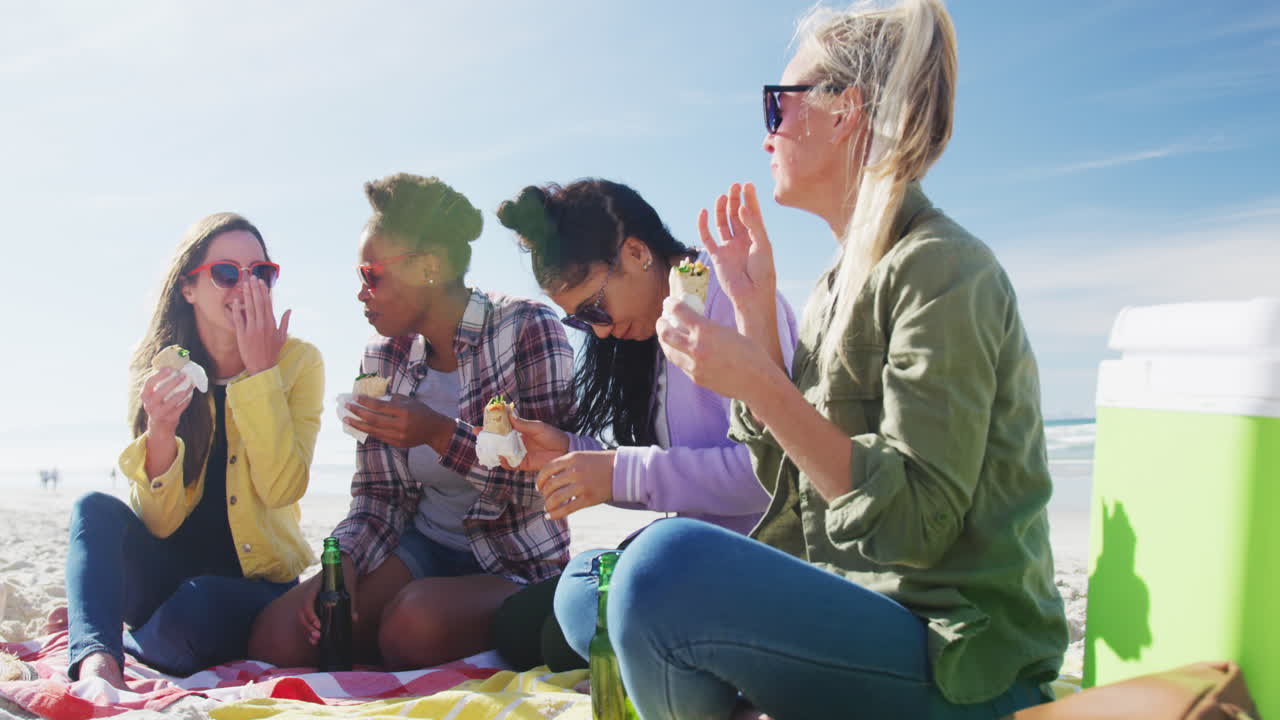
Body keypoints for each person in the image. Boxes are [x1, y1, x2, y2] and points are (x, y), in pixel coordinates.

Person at [553, 1, 1069, 718]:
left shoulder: (944, 268)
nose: (766, 135)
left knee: (659, 570)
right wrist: (760, 317)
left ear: (844, 110)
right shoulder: (838, 280)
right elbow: (794, 492)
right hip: (861, 609)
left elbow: (915, 527)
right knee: (590, 585)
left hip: (957, 655)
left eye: (778, 105)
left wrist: (759, 381)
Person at [248, 173, 576, 671]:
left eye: (371, 275)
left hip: (514, 559)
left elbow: (549, 485)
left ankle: (480, 630)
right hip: (423, 547)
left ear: (430, 267)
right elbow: (379, 495)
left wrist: (439, 434)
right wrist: (347, 566)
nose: (361, 294)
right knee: (279, 637)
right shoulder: (383, 357)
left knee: (410, 628)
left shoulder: (529, 328)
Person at [487, 179, 798, 670]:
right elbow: (667, 472)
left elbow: (773, 476)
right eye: (580, 321)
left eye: (594, 307)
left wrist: (618, 472)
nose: (601, 330)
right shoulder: (651, 329)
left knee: (568, 626)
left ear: (636, 253)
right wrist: (573, 454)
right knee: (519, 626)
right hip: (696, 550)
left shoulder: (724, 301)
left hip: (763, 557)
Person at [65, 213, 323, 687]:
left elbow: (283, 487)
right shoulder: (160, 366)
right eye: (227, 273)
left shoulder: (298, 362)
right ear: (188, 288)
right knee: (92, 509)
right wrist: (160, 431)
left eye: (260, 273)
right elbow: (158, 523)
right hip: (166, 576)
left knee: (195, 608)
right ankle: (96, 665)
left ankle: (112, 632)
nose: (246, 287)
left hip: (254, 587)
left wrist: (260, 372)